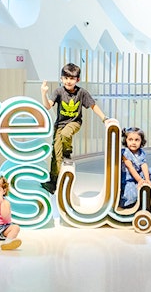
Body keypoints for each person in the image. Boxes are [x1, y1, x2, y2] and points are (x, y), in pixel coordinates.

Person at [40, 63, 114, 194]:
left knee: (66, 134)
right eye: (66, 78)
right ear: (61, 79)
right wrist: (44, 93)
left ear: (77, 80)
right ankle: (53, 182)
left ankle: (67, 153)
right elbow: (47, 106)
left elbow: (93, 106)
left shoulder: (82, 92)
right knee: (56, 155)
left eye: (72, 78)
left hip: (75, 123)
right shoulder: (58, 91)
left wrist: (104, 118)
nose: (68, 81)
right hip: (59, 125)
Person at [120, 127, 151, 208]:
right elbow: (130, 167)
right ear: (126, 140)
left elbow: (144, 165)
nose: (133, 142)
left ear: (141, 141)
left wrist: (146, 179)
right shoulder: (125, 153)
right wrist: (140, 180)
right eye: (130, 139)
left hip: (140, 173)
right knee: (131, 193)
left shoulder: (141, 152)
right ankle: (134, 201)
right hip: (129, 177)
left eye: (137, 140)